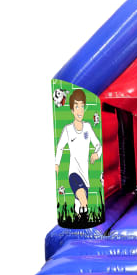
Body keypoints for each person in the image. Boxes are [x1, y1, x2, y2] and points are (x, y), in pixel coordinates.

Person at [55, 89, 101, 217]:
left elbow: (98, 145)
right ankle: (83, 209)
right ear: (72, 110)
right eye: (76, 107)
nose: (80, 110)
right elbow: (60, 147)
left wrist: (96, 153)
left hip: (85, 173)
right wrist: (57, 163)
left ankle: (80, 211)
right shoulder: (68, 129)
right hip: (74, 172)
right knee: (82, 195)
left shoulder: (87, 127)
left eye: (82, 106)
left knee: (81, 201)